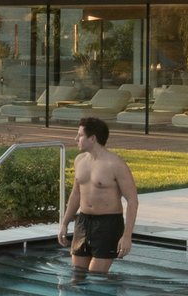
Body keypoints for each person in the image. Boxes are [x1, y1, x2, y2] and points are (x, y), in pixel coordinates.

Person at [57, 116, 139, 276]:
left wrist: (127, 236)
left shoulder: (115, 164)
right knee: (78, 274)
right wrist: (64, 222)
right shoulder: (80, 160)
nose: (76, 139)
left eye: (80, 135)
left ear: (92, 138)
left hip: (107, 224)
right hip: (83, 221)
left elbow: (132, 201)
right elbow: (75, 194)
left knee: (96, 277)